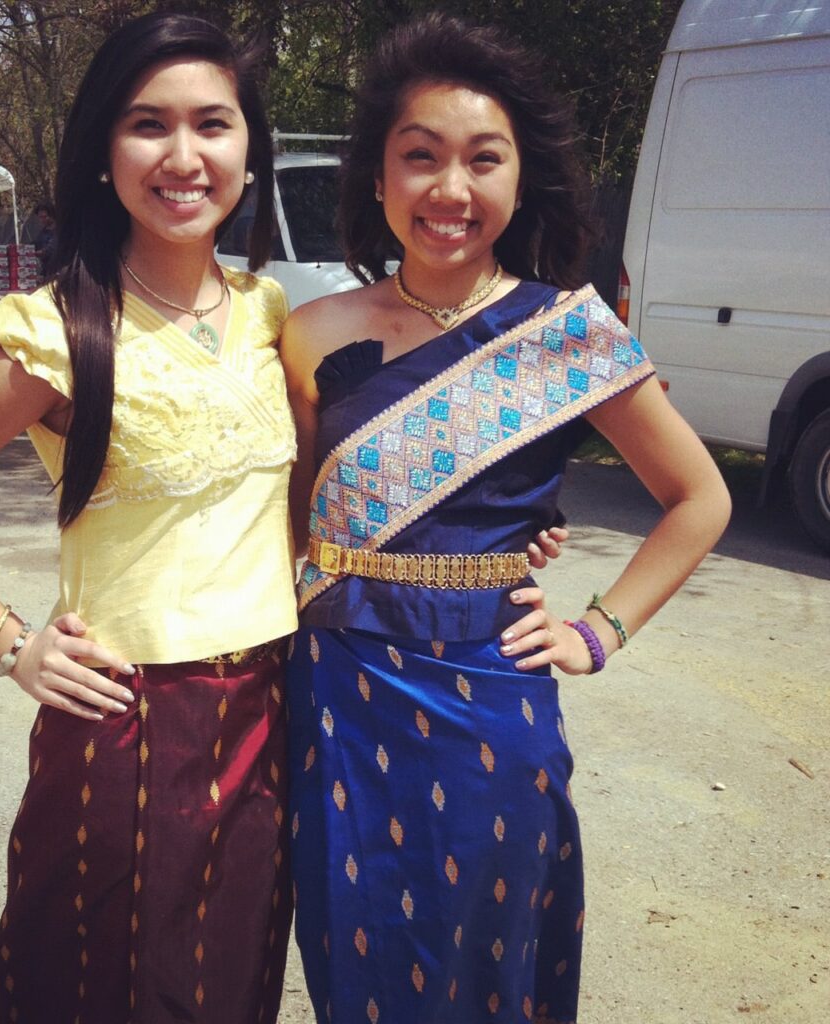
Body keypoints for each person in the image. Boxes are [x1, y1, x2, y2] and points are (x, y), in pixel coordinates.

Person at [279, 14, 732, 1024]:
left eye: (484, 159)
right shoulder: (309, 332)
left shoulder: (566, 337)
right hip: (338, 697)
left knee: (492, 962)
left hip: (495, 695)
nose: (451, 189)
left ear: (521, 178)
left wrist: (597, 628)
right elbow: (295, 521)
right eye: (420, 157)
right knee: (356, 960)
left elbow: (699, 498)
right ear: (379, 178)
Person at [0, 13, 297, 1023]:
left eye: (212, 125)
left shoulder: (270, 311)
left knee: (228, 985)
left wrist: (492, 547)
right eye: (148, 125)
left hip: (269, 707)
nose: (183, 157)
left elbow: (306, 500)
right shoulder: (51, 330)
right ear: (103, 150)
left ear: (247, 150)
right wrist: (12, 643)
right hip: (127, 720)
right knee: (101, 986)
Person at [31, 200, 57, 277]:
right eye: (40, 217)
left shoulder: (60, 231)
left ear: (52, 215)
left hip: (58, 271)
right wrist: (25, 248)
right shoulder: (43, 231)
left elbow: (52, 248)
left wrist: (41, 252)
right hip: (46, 271)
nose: (42, 220)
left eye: (44, 217)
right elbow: (36, 243)